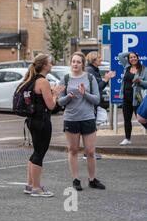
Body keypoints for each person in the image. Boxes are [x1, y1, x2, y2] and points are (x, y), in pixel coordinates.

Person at [58, 52, 105, 191]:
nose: (75, 64)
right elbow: (59, 101)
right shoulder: (65, 79)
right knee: (73, 150)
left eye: (78, 62)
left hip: (88, 117)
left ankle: (92, 179)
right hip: (71, 118)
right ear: (70, 63)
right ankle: (76, 179)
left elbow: (97, 99)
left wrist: (85, 94)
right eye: (73, 61)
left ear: (83, 64)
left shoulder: (90, 78)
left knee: (90, 151)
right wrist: (68, 97)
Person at [19, 54, 64, 197]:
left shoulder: (31, 79)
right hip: (42, 121)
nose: (52, 65)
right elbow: (50, 105)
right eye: (50, 63)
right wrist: (55, 94)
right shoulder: (43, 81)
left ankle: (30, 185)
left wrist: (51, 93)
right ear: (44, 65)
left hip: (32, 121)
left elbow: (39, 100)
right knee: (39, 153)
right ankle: (37, 188)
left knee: (36, 152)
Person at [117, 52, 147, 146]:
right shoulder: (127, 66)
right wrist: (130, 52)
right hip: (126, 97)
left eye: (134, 57)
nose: (132, 59)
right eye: (130, 57)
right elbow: (120, 56)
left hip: (137, 98)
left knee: (140, 118)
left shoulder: (143, 69)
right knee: (127, 119)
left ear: (138, 58)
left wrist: (140, 81)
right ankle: (127, 138)